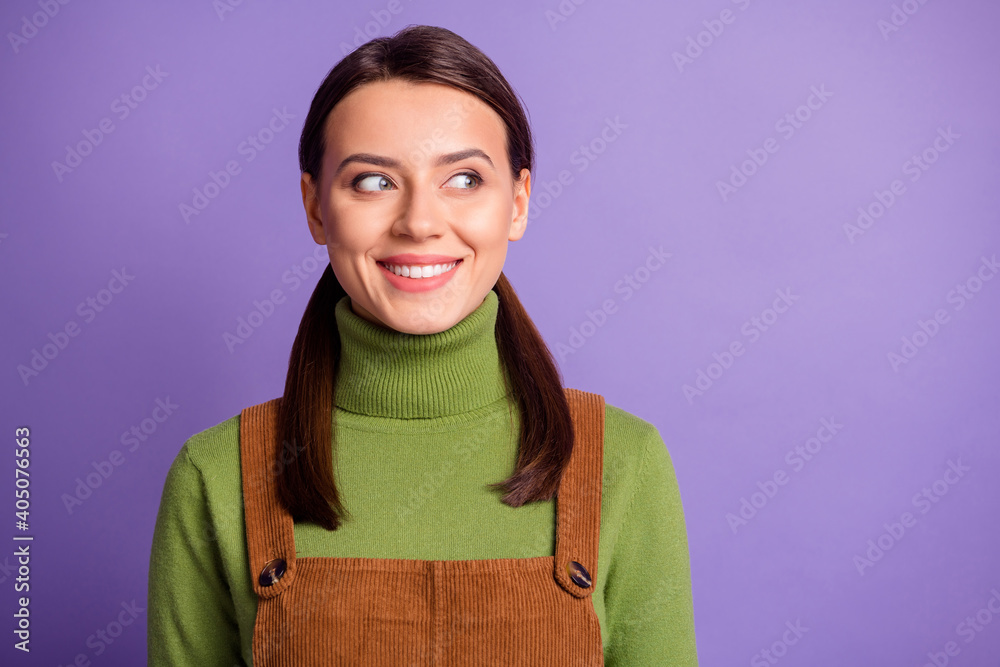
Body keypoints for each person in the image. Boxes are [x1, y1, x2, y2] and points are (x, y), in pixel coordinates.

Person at [147, 24, 698, 666]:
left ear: (517, 202)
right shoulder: (215, 478)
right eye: (374, 182)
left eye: (463, 179)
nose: (419, 222)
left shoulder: (623, 466)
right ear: (316, 207)